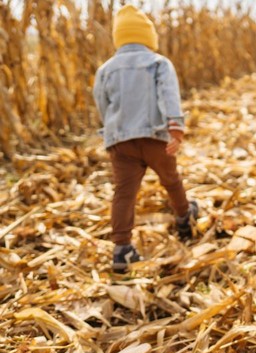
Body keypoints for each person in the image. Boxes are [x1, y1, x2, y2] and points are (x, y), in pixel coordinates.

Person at [93, 4, 198, 274]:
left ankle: (121, 249)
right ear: (148, 37)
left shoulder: (106, 69)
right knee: (171, 179)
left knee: (124, 193)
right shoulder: (158, 63)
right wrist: (175, 127)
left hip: (121, 143)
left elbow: (102, 104)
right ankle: (185, 217)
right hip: (155, 138)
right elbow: (168, 96)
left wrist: (111, 133)